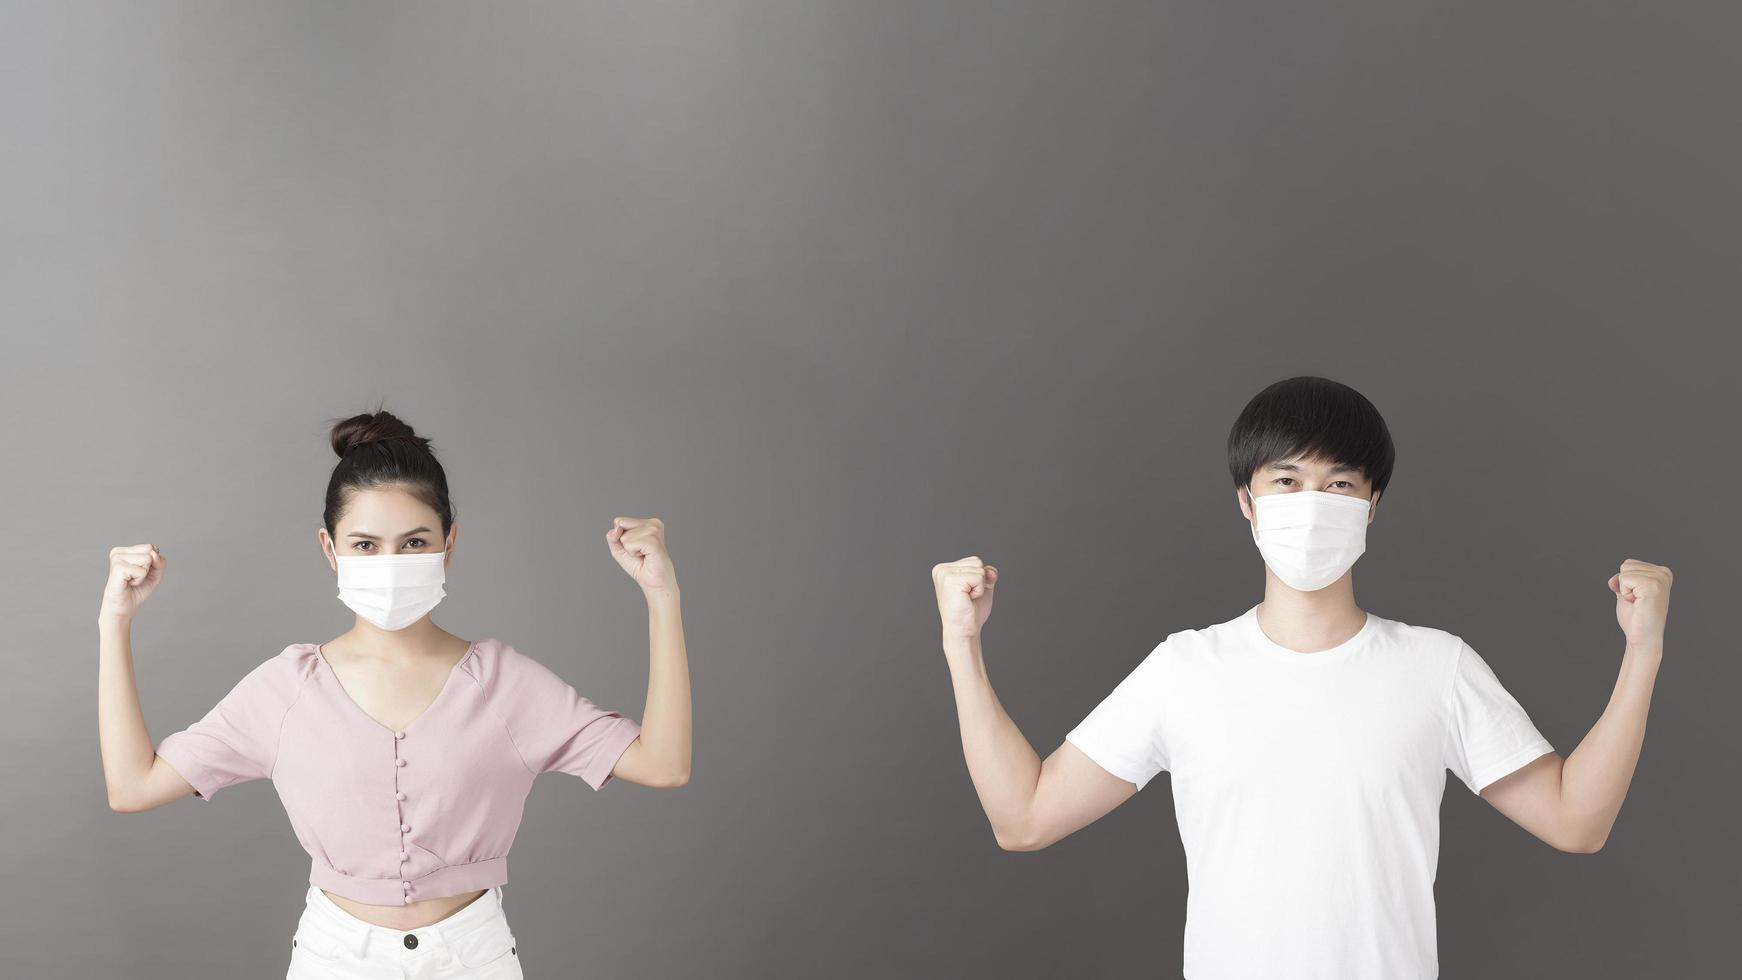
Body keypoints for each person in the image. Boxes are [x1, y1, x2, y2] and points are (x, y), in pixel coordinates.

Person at [929, 375, 1671, 980]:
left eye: (1339, 484)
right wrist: (962, 646)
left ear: (1373, 505)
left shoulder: (1434, 668)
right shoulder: (1186, 671)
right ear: (1247, 503)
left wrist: (1643, 652)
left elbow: (1578, 822)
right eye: (1287, 480)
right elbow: (1023, 819)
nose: (1311, 505)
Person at [97, 408, 693, 979]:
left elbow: (664, 765)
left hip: (473, 960)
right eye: (364, 544)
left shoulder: (505, 683)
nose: (390, 562)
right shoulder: (286, 689)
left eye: (413, 543)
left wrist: (661, 596)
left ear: (448, 544)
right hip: (333, 961)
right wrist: (114, 623)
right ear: (330, 549)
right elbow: (133, 786)